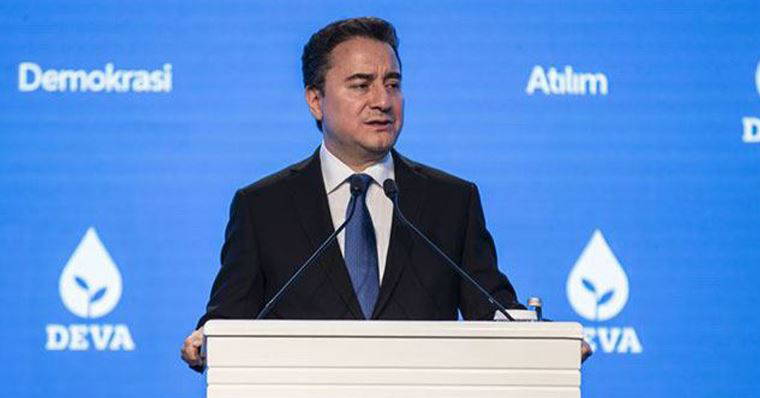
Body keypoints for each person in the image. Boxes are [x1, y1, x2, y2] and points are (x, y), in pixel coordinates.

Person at [181, 17, 590, 370]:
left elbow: (494, 310)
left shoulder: (451, 201)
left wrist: (547, 343)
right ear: (315, 100)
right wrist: (208, 341)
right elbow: (229, 320)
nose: (382, 100)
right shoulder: (263, 207)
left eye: (392, 84)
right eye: (361, 85)